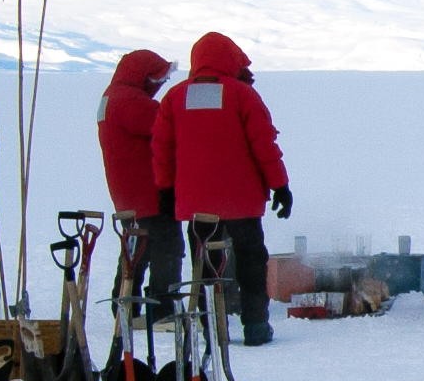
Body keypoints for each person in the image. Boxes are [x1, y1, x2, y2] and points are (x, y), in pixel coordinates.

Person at [150, 31, 290, 347]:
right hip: (242, 200)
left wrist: (165, 189)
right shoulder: (242, 95)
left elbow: (162, 148)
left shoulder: (174, 98)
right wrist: (280, 186)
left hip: (198, 203)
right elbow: (264, 145)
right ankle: (255, 326)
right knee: (252, 262)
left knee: (204, 265)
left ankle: (209, 325)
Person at [97, 48, 179, 321]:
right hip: (149, 191)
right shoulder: (132, 101)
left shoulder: (111, 97)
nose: (159, 86)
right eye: (157, 80)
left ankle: (124, 306)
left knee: (135, 253)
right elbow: (168, 127)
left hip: (126, 193)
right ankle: (162, 309)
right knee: (166, 249)